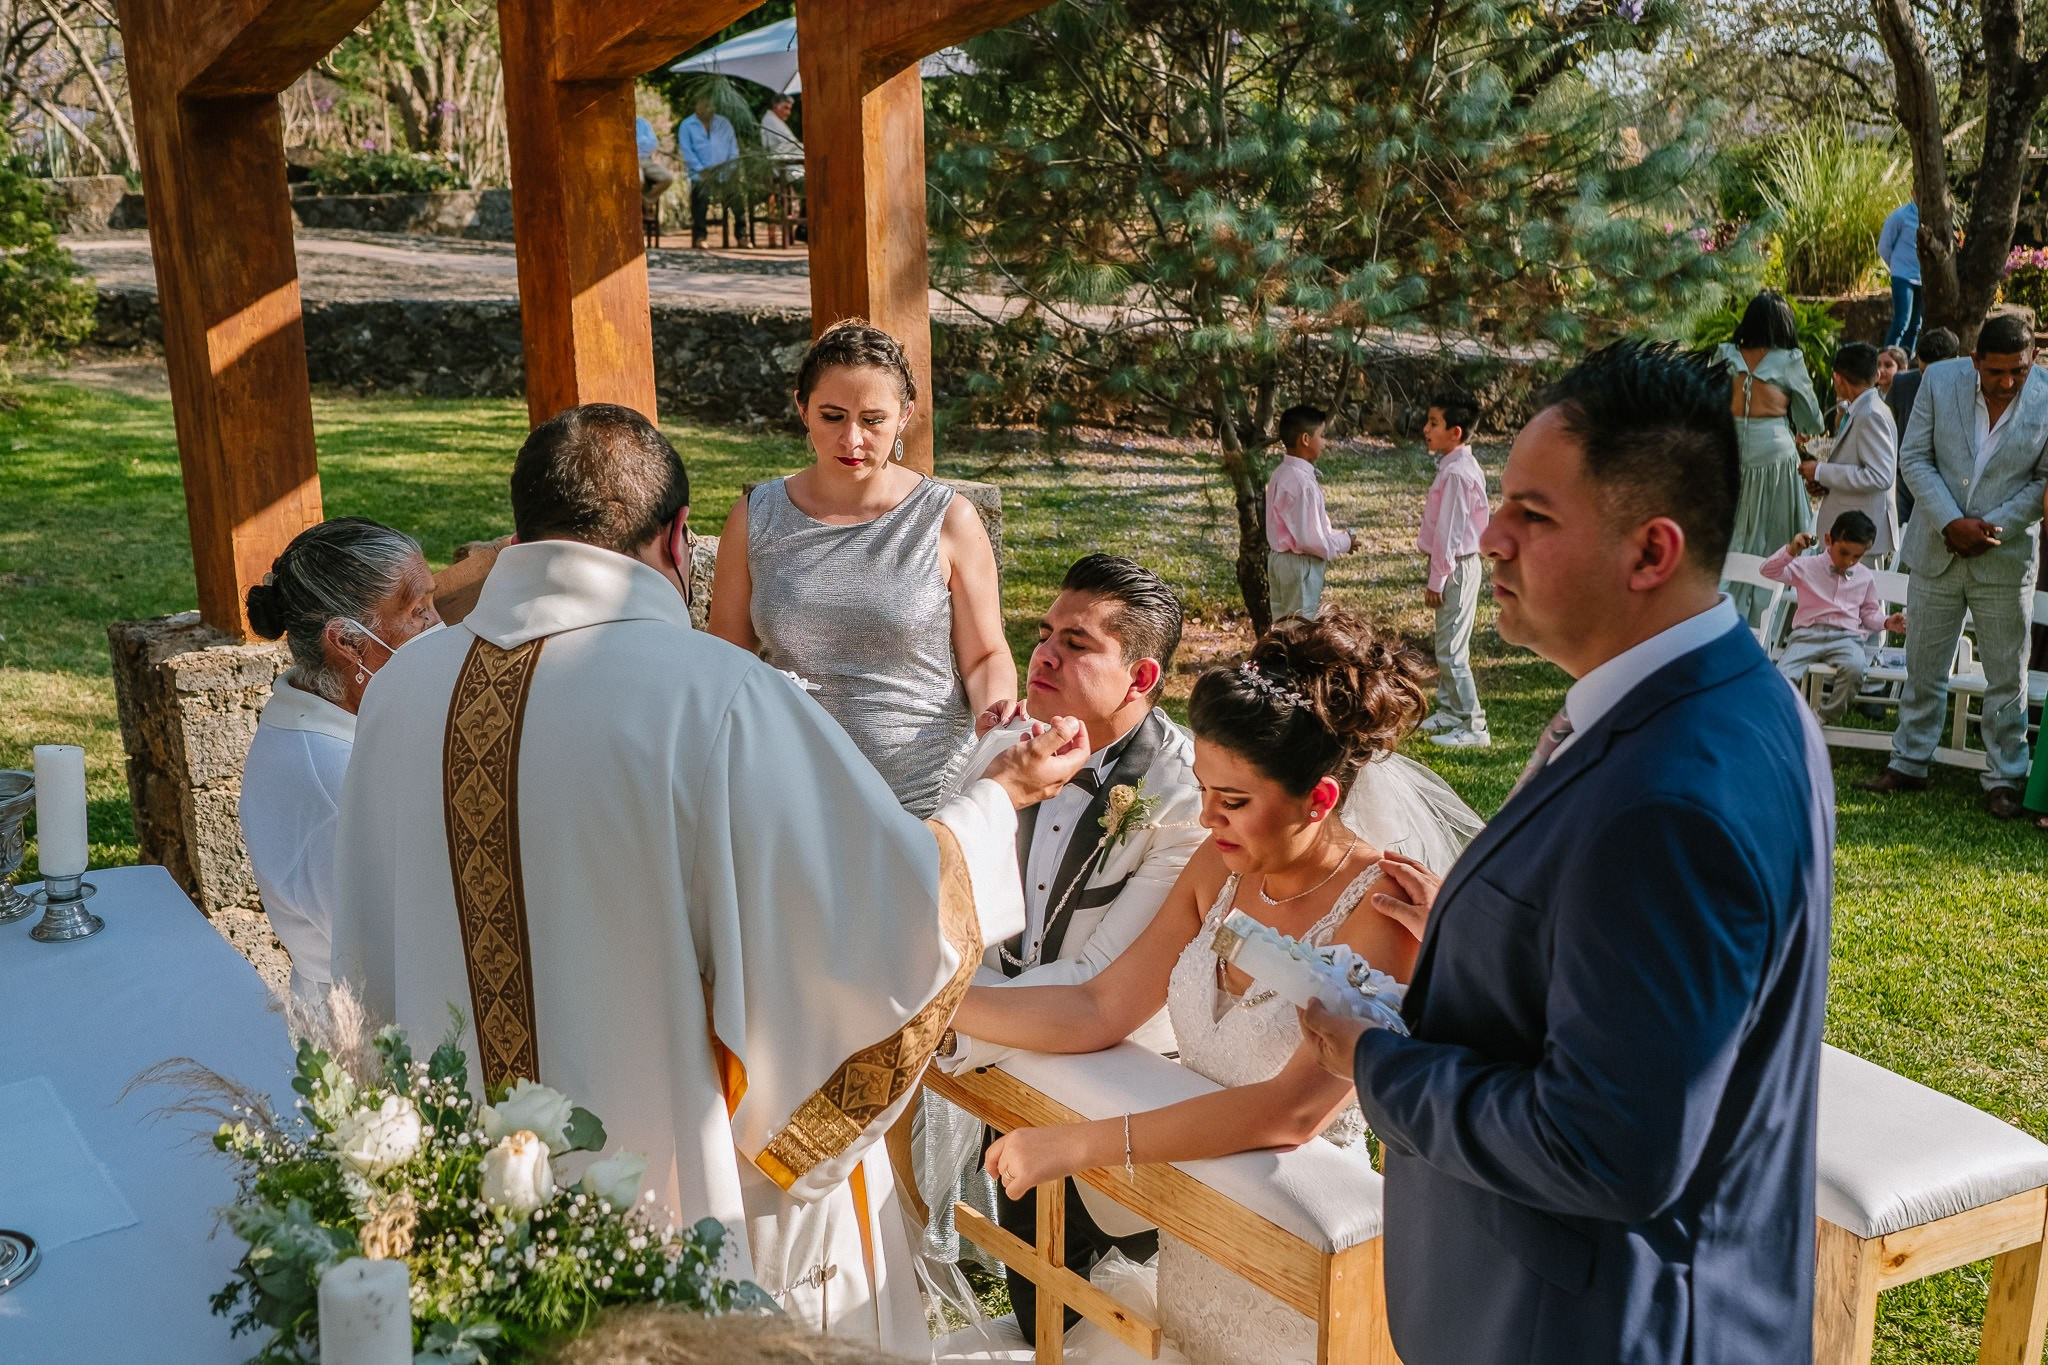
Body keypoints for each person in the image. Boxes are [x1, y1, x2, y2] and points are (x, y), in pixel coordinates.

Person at [331, 403, 1090, 1351]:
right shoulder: (720, 697)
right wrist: (996, 802)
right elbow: (881, 914)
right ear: (679, 540)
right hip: (671, 1194)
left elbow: (362, 933)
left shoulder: (403, 685)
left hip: (451, 1190)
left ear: (520, 532)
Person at [1302, 340, 1834, 1365]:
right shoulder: (1725, 694)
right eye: (1500, 506)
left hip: (1589, 1327)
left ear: (1649, 552)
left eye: (1531, 517)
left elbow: (1603, 1147)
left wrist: (1376, 1066)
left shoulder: (1670, 798)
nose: (1489, 541)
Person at [954, 610, 1483, 1365]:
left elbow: (1289, 1111)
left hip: (1299, 1261)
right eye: (1204, 788)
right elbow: (1102, 1004)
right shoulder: (1220, 867)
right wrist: (936, 1002)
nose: (1207, 817)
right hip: (1199, 1236)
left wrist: (1077, 1145)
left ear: (1320, 799)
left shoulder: (1381, 917)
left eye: (1232, 800)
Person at [939, 553, 1207, 1340]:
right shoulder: (1007, 748)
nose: (1045, 653)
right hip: (1012, 1092)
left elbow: (1101, 980)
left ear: (1141, 673)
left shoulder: (1186, 799)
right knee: (1037, 1325)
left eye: (1079, 643)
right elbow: (958, 909)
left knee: (1137, 1329)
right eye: (1045, 632)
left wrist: (933, 1018)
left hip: (1126, 1108)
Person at [709, 320, 1013, 817]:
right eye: (832, 416)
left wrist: (995, 713)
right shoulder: (754, 515)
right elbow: (727, 656)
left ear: (905, 416)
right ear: (802, 408)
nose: (852, 438)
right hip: (788, 794)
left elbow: (985, 655)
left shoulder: (949, 517)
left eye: (873, 420)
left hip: (924, 800)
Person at [240, 518, 441, 1003]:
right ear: (347, 642)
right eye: (419, 612)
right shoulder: (337, 786)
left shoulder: (344, 719)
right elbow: (408, 946)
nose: (441, 628)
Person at [1858, 314, 2048, 819]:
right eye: (1997, 372)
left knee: (2008, 676)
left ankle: (2005, 776)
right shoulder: (1939, 381)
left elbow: (2043, 481)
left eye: (2020, 372)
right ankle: (1909, 761)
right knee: (1923, 664)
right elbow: (1914, 458)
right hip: (1937, 548)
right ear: (1974, 362)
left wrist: (1988, 528)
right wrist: (1950, 523)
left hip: (2004, 555)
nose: (2008, 382)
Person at [1718, 292, 1824, 625]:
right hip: (1775, 453)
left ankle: (1720, 608)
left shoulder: (1724, 354)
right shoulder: (1789, 359)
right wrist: (1801, 425)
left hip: (1728, 451)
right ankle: (1772, 617)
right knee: (1779, 533)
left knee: (1729, 531)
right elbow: (1811, 418)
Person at [1763, 513, 1909, 724]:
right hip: (1807, 635)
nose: (1849, 561)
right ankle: (1782, 719)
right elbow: (1768, 570)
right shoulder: (1807, 566)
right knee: (1782, 675)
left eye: (1857, 556)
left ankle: (1823, 716)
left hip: (1847, 638)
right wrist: (1792, 550)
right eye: (1844, 553)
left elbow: (1868, 613)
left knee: (1856, 668)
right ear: (1829, 540)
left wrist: (1886, 622)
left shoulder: (1864, 576)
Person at [1414, 390, 1490, 749]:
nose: (1426, 429)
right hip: (1452, 565)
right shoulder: (1453, 467)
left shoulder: (1458, 474)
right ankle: (1449, 710)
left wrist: (1437, 579)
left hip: (1455, 567)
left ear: (1455, 432)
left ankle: (1474, 725)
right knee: (1447, 641)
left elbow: (1451, 532)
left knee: (1452, 651)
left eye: (1434, 423)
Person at [1801, 341, 1899, 557]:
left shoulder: (1870, 414)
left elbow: (1880, 476)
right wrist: (1825, 484)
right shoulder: (1862, 408)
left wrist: (1820, 471)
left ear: (1837, 378)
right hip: (1850, 534)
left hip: (1860, 539)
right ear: (1876, 375)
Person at [1264, 404, 1352, 620]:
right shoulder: (1302, 483)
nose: (1324, 442)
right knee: (1300, 630)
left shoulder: (1280, 474)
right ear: (1305, 439)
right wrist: (1345, 542)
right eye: (1321, 436)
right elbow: (1311, 541)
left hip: (1279, 560)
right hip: (1300, 565)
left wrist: (1335, 536)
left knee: (1282, 628)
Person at [1888, 327, 1960, 529]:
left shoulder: (1970, 389)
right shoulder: (1902, 384)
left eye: (1937, 374)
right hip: (1904, 483)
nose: (1930, 381)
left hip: (1946, 487)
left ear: (1957, 360)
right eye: (1923, 373)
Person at [680, 94, 741, 249]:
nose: (708, 108)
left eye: (711, 104)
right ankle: (700, 237)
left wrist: (727, 170)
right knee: (700, 198)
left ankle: (742, 235)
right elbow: (687, 152)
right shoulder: (687, 125)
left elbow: (734, 150)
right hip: (699, 174)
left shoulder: (724, 123)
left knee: (737, 196)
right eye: (704, 104)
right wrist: (702, 170)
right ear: (697, 105)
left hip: (725, 173)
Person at [1879, 199, 1923, 352]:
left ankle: (1905, 360)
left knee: (1916, 325)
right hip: (1903, 277)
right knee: (1901, 323)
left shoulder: (1932, 217)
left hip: (1922, 279)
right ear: (1913, 192)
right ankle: (1886, 359)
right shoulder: (1901, 216)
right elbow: (1884, 246)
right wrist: (1897, 266)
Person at [635, 115, 674, 221]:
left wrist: (636, 145)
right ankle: (636, 210)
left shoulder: (643, 123)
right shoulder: (618, 123)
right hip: (630, 161)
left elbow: (652, 144)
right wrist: (641, 144)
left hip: (646, 160)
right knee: (638, 180)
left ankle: (645, 202)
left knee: (667, 178)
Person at [760, 93, 802, 169]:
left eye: (790, 109)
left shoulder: (775, 119)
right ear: (776, 106)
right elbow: (793, 142)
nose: (789, 113)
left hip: (788, 164)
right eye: (786, 108)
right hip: (783, 167)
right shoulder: (771, 120)